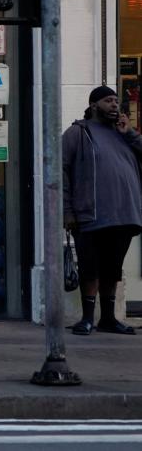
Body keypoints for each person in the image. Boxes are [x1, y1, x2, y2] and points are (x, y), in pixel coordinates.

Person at [61, 85, 142, 335]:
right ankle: (87, 317)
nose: (115, 105)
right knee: (90, 268)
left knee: (112, 269)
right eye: (108, 101)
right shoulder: (78, 133)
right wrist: (67, 211)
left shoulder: (122, 134)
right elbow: (61, 170)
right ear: (94, 105)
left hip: (123, 214)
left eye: (117, 101)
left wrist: (130, 133)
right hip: (90, 214)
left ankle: (108, 318)